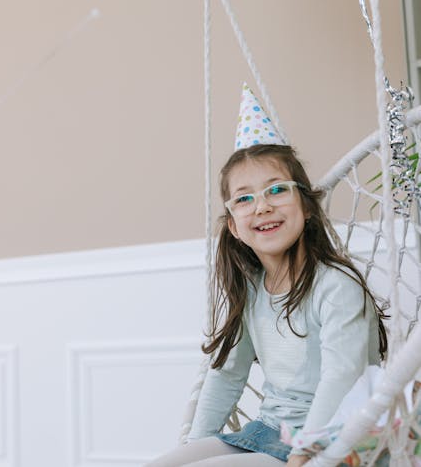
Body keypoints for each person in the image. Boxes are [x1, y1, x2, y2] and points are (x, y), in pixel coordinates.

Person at [146, 84, 387, 467]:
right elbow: (226, 376)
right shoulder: (253, 290)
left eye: (277, 190)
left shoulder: (336, 287)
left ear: (306, 207)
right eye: (244, 198)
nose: (262, 206)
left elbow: (341, 377)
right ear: (234, 227)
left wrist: (307, 452)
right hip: (268, 433)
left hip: (338, 442)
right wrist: (190, 448)